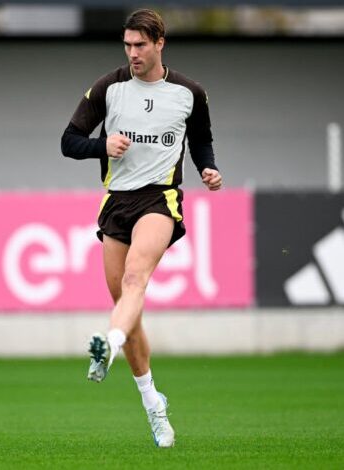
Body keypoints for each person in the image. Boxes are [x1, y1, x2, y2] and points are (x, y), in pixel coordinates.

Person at [60, 9, 222, 448]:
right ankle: (153, 402)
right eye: (127, 45)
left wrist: (207, 168)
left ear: (159, 43)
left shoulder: (189, 93)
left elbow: (201, 139)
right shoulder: (108, 87)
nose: (132, 53)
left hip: (159, 200)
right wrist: (102, 145)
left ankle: (107, 345)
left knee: (135, 280)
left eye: (140, 45)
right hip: (116, 202)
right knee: (126, 306)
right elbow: (68, 141)